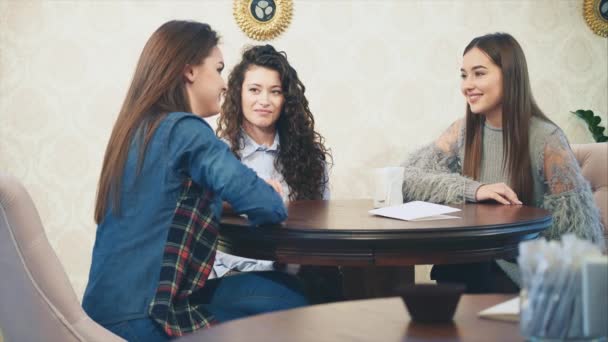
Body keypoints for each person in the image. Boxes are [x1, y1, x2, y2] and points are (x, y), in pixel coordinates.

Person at [82, 21, 307, 341]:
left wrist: (229, 201)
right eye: (217, 69)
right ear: (190, 72)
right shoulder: (185, 130)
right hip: (144, 318)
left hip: (103, 312)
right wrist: (265, 194)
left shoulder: (138, 130)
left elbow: (169, 202)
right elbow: (268, 206)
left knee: (280, 294)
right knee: (292, 301)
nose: (223, 84)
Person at [400, 32, 605, 293]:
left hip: (526, 275)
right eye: (464, 75)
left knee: (458, 270)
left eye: (479, 73)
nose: (468, 85)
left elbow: (580, 235)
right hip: (472, 262)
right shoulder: (461, 132)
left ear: (510, 75)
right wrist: (473, 189)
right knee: (451, 268)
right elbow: (407, 177)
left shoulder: (547, 139)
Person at [214, 44, 339, 303]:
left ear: (286, 100)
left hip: (300, 274)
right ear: (238, 94)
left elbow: (322, 223)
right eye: (254, 90)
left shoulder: (310, 157)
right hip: (234, 276)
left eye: (275, 92)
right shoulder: (219, 154)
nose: (264, 101)